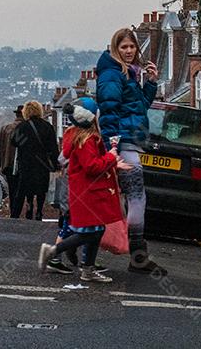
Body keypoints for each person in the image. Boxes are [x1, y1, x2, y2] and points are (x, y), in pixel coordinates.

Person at [96, 27, 164, 274]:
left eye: (132, 47)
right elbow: (109, 111)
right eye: (123, 47)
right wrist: (111, 148)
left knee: (120, 198)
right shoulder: (113, 75)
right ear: (115, 48)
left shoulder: (129, 74)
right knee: (136, 197)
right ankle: (138, 257)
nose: (128, 51)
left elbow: (139, 107)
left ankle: (76, 251)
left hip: (130, 142)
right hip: (123, 144)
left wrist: (152, 83)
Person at [38, 98, 126, 283]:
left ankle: (88, 269)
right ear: (93, 118)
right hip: (89, 193)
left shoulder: (78, 137)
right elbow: (91, 167)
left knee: (96, 230)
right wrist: (111, 157)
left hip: (86, 192)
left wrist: (114, 163)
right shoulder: (86, 140)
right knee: (89, 232)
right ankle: (54, 251)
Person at [10, 100, 59, 221]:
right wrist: (55, 163)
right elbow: (52, 147)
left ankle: (30, 205)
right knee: (41, 188)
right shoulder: (47, 127)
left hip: (26, 163)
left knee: (27, 187)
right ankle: (39, 210)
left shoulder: (22, 127)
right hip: (42, 163)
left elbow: (14, 142)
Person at [0, 105, 23, 218]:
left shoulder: (6, 129)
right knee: (21, 190)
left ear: (16, 115)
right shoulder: (27, 129)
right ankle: (17, 213)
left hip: (8, 165)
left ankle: (13, 213)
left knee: (12, 190)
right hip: (23, 165)